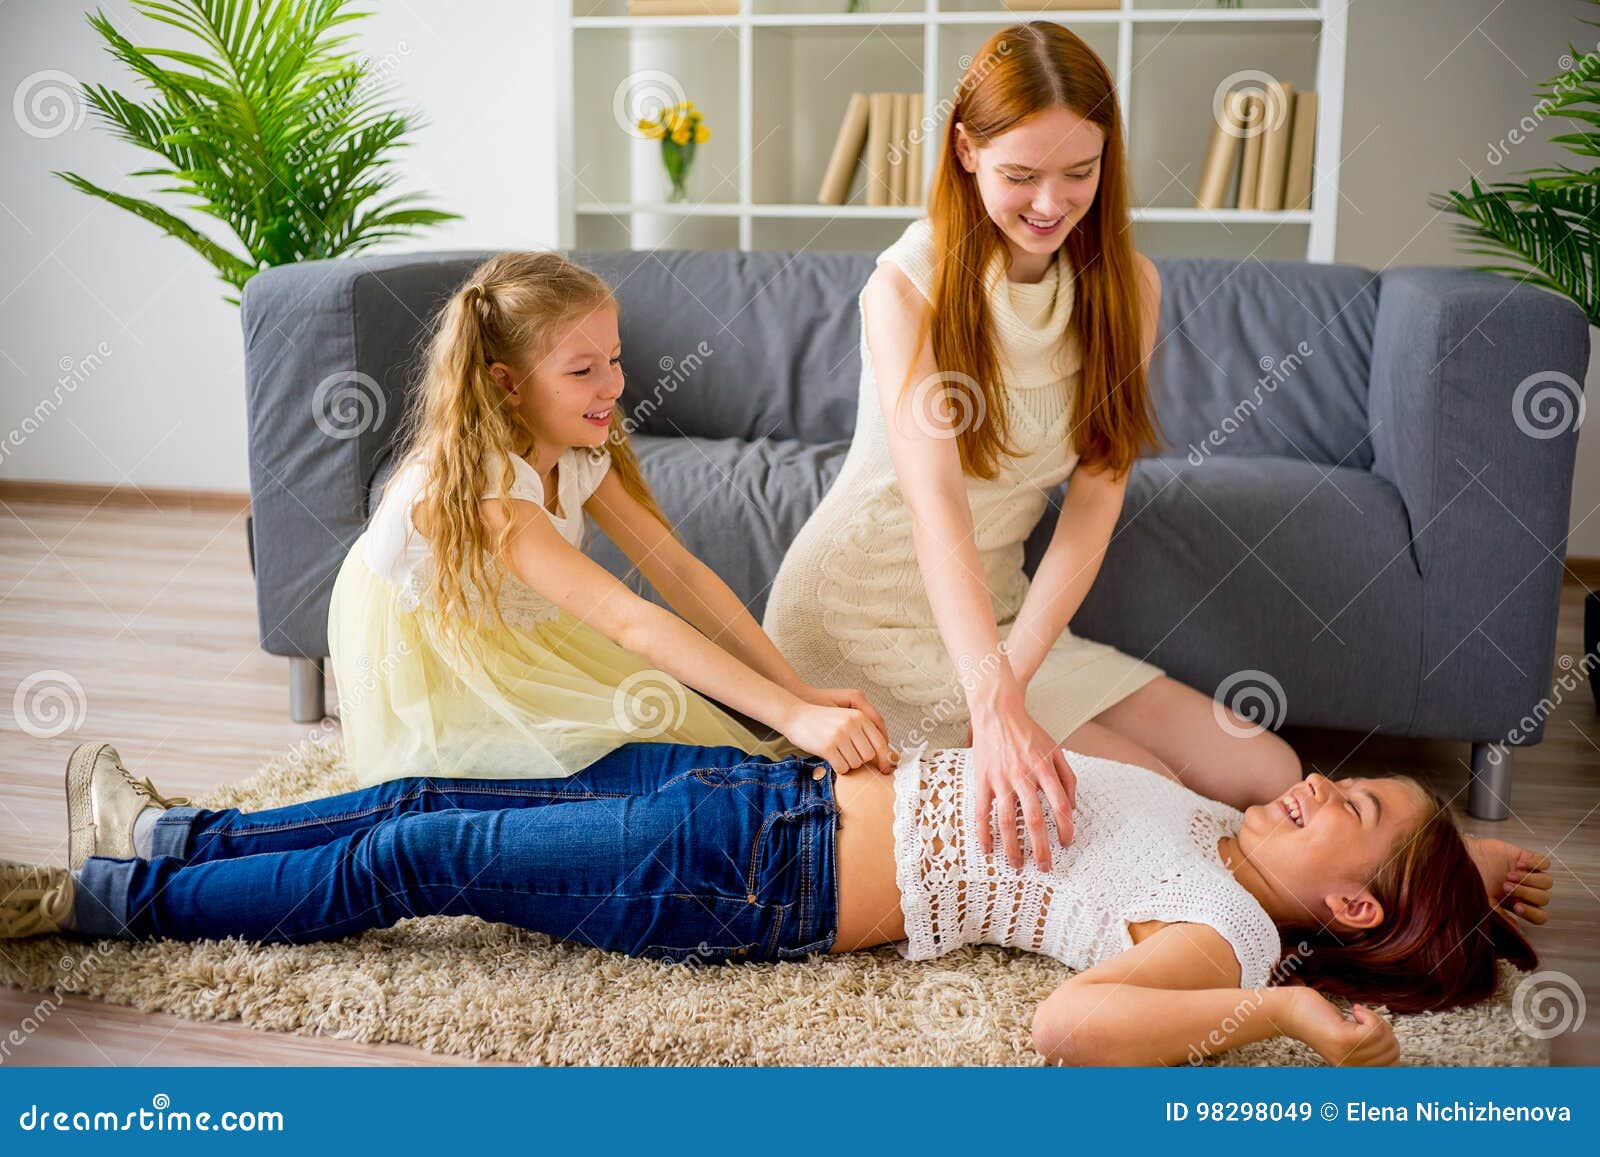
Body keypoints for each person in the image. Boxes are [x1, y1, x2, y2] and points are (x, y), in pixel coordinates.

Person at [1, 740, 1551, 1067]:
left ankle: (109, 900)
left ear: (1345, 904)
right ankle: (181, 830)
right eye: (1342, 781)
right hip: (767, 792)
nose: (1316, 788)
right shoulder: (1229, 823)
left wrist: (1282, 1006)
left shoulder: (1221, 934)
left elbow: (1072, 1028)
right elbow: (1282, 787)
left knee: (421, 865)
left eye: (1348, 812)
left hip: (747, 879)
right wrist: (1455, 872)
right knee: (418, 796)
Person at [762, 22, 1302, 873]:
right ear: (966, 152)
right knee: (1160, 800)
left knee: (1267, 768)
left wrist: (1009, 678)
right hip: (863, 618)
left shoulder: (1130, 287)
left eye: (1078, 173)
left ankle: (1410, 876)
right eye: (1021, 175)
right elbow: (938, 505)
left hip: (1003, 622)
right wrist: (993, 704)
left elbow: (1093, 505)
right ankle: (1312, 903)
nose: (1050, 203)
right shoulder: (907, 286)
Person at [325, 250, 891, 788]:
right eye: (581, 371)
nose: (613, 386)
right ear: (506, 383)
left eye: (614, 360)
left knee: (689, 741)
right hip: (441, 672)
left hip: (517, 635)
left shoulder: (575, 454)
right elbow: (630, 623)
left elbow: (678, 572)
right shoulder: (488, 493)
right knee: (633, 773)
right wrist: (790, 716)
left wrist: (794, 694)